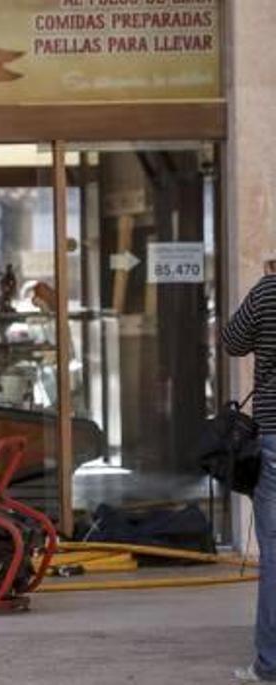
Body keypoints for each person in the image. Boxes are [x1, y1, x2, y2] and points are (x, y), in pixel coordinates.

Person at [225, 256, 276, 682]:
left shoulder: (268, 291)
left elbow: (232, 340)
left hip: (275, 437)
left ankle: (270, 664)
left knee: (275, 554)